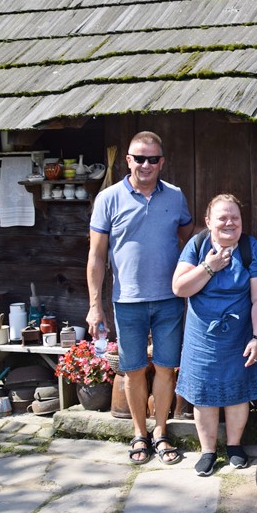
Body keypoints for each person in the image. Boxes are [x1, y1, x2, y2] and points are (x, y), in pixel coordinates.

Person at [88, 131, 193, 466]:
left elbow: (188, 240)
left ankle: (160, 432)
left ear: (162, 162)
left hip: (168, 299)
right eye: (139, 158)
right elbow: (96, 256)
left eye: (153, 159)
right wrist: (95, 306)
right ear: (128, 160)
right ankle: (139, 433)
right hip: (127, 301)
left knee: (165, 369)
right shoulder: (108, 199)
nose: (146, 165)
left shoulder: (175, 196)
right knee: (132, 371)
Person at [173, 194, 257, 477]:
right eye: (222, 218)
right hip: (201, 335)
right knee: (203, 393)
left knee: (237, 391)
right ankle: (208, 451)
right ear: (208, 222)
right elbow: (179, 288)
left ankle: (234, 446)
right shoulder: (197, 245)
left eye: (235, 218)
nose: (230, 223)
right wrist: (209, 267)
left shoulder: (251, 248)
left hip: (239, 334)